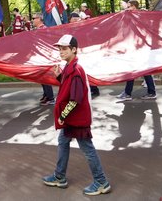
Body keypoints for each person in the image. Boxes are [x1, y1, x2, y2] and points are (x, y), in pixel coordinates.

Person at [42, 34, 111, 196]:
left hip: (76, 120)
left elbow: (75, 99)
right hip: (73, 119)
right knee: (63, 142)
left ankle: (101, 182)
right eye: (59, 48)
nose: (61, 51)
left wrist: (62, 116)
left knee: (87, 149)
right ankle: (60, 176)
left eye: (64, 48)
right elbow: (69, 88)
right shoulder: (69, 67)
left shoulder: (76, 70)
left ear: (74, 49)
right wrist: (59, 75)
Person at [117, 0, 157, 101]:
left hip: (139, 48)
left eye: (129, 6)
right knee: (143, 70)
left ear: (134, 6)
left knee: (134, 70)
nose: (127, 8)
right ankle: (150, 92)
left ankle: (128, 93)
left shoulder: (139, 16)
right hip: (136, 47)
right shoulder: (132, 16)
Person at [32, 13, 55, 105]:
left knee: (45, 77)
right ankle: (46, 94)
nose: (32, 20)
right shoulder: (39, 29)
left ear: (39, 19)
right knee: (41, 77)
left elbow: (45, 43)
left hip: (44, 57)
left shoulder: (43, 29)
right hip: (39, 56)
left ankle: (50, 97)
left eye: (34, 18)